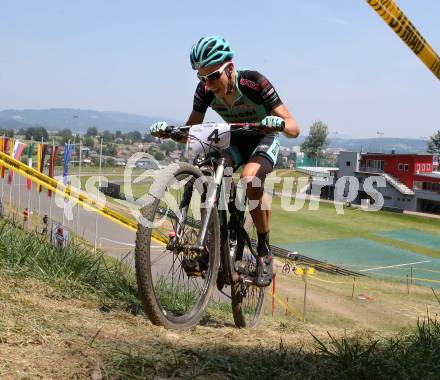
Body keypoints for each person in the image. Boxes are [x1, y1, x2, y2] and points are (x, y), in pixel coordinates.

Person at [149, 36, 300, 287]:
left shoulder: (254, 82)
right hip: (234, 142)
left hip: (262, 138)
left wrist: (280, 123)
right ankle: (211, 244)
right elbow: (192, 130)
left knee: (250, 179)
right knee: (208, 175)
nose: (207, 85)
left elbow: (294, 127)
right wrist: (169, 132)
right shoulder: (205, 91)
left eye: (212, 76)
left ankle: (264, 251)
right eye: (201, 78)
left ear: (229, 69)